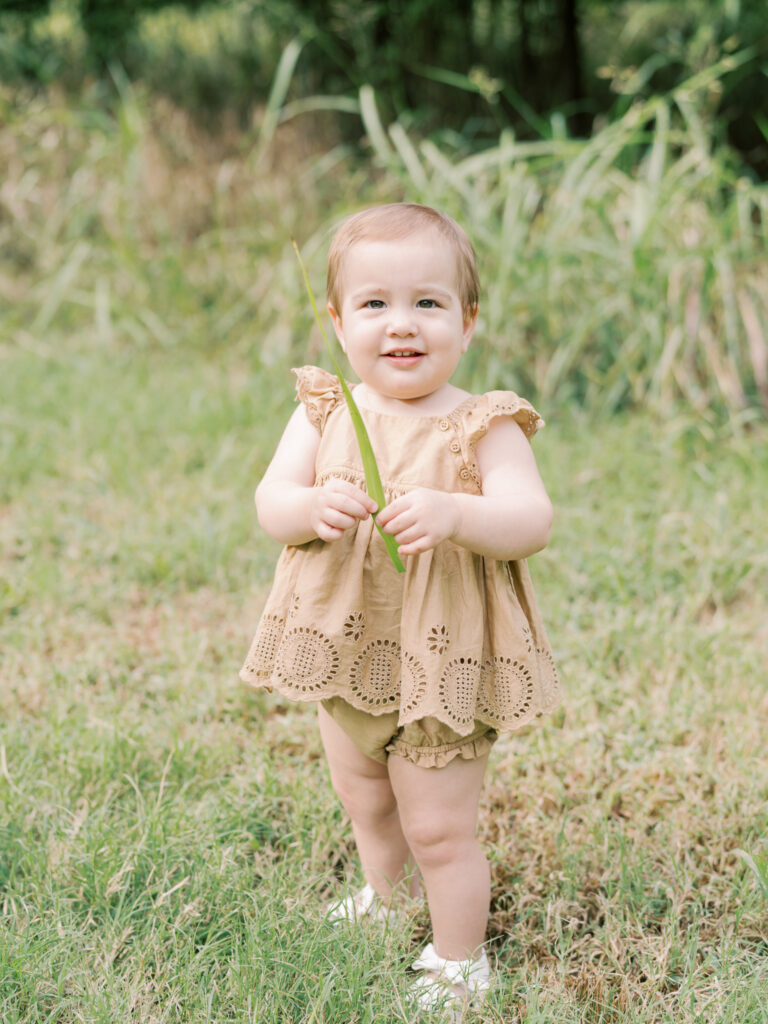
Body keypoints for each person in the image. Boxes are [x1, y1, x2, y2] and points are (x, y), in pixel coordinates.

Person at [240, 202, 560, 1015]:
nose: (401, 324)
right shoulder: (325, 410)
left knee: (440, 829)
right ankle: (386, 894)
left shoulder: (483, 425)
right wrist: (309, 506)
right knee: (366, 798)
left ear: (468, 319)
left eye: (428, 302)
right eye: (374, 304)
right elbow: (270, 501)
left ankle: (459, 958)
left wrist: (457, 514)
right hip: (347, 649)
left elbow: (531, 523)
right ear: (337, 321)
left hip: (440, 658)